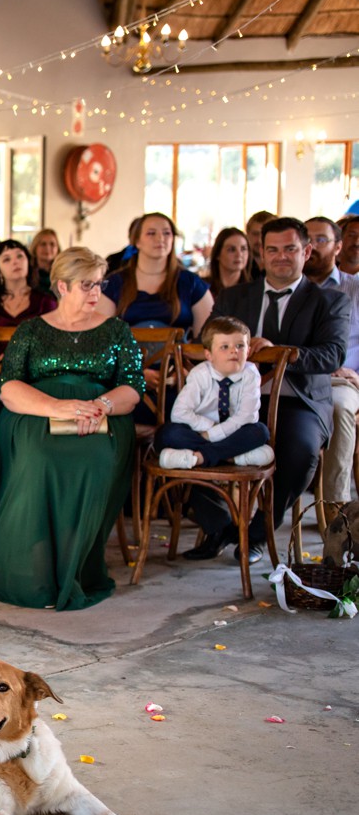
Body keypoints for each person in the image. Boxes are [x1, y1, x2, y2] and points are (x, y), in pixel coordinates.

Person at [0, 247, 145, 611]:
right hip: (36, 413)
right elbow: (9, 388)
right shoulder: (31, 330)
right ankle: (35, 561)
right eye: (87, 285)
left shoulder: (116, 330)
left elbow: (132, 387)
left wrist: (101, 406)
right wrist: (58, 407)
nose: (96, 292)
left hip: (100, 416)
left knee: (95, 459)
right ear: (62, 286)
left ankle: (74, 561)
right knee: (38, 458)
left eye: (99, 284)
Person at [184, 216, 350, 562]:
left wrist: (281, 352)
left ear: (306, 251)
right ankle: (220, 526)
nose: (281, 257)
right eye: (272, 250)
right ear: (261, 253)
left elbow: (332, 354)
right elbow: (206, 342)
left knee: (300, 451)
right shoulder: (234, 297)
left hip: (297, 400)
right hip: (232, 399)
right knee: (185, 439)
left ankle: (257, 534)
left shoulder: (329, 301)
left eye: (290, 249)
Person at [154, 317, 271, 469]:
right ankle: (231, 457)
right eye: (224, 347)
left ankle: (198, 458)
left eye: (240, 346)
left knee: (260, 432)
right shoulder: (200, 374)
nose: (234, 350)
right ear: (209, 355)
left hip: (234, 432)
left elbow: (247, 417)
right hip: (200, 432)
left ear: (248, 351)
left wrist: (213, 435)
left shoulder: (251, 374)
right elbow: (179, 413)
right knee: (168, 433)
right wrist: (211, 429)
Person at [0, 238, 57, 450]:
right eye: (7, 259)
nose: (15, 262)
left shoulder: (46, 302)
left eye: (20, 256)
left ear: (29, 262)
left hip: (36, 374)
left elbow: (55, 343)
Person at [304, 216, 359, 516]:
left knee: (338, 408)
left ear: (338, 247)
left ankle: (335, 512)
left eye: (321, 240)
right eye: (307, 239)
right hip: (293, 377)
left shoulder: (354, 288)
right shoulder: (288, 288)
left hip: (341, 381)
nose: (312, 246)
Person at [101, 212, 213, 334]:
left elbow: (208, 338)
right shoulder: (113, 284)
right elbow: (100, 336)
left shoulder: (192, 284)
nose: (160, 238)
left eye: (166, 233)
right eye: (151, 233)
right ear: (137, 241)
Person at [203, 226, 251, 302]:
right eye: (231, 250)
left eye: (243, 249)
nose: (239, 255)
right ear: (218, 254)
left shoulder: (254, 291)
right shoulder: (204, 289)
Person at [245, 210, 275, 280]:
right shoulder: (239, 265)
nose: (259, 240)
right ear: (247, 235)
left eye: (264, 234)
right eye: (255, 234)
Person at [29, 227, 60, 291]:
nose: (48, 248)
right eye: (43, 244)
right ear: (35, 247)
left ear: (58, 248)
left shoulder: (63, 273)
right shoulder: (27, 272)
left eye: (52, 244)